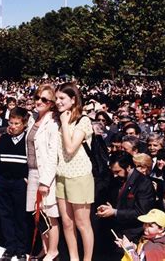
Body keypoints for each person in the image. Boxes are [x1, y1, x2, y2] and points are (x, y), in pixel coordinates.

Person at [55, 82, 95, 261]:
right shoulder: (57, 119)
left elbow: (70, 148)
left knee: (82, 223)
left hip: (80, 176)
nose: (58, 102)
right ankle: (74, 258)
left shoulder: (83, 120)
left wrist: (64, 123)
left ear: (73, 99)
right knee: (67, 222)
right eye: (56, 98)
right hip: (61, 175)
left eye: (62, 98)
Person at [96, 152, 156, 258]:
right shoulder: (116, 180)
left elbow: (142, 213)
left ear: (128, 167)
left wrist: (115, 212)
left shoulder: (143, 183)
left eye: (117, 171)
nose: (114, 175)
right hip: (113, 233)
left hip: (132, 235)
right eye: (113, 172)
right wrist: (107, 208)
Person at [25, 84, 61, 261]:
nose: (39, 101)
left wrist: (45, 181)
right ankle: (44, 248)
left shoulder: (53, 122)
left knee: (50, 213)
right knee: (37, 214)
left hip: (46, 174)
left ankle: (53, 250)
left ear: (52, 103)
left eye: (44, 99)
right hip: (32, 172)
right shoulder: (33, 119)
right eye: (37, 97)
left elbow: (53, 154)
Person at [0, 107, 30, 261]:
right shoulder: (3, 139)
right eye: (11, 123)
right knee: (5, 215)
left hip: (19, 183)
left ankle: (21, 249)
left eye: (17, 123)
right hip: (4, 182)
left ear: (24, 124)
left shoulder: (28, 141)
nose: (13, 126)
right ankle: (10, 247)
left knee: (20, 216)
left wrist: (26, 178)